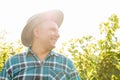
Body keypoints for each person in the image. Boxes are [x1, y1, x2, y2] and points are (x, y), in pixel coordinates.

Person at [0, 9, 81, 80]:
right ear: (37, 32)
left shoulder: (66, 64)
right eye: (53, 30)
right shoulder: (13, 63)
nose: (58, 35)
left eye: (58, 31)